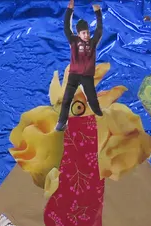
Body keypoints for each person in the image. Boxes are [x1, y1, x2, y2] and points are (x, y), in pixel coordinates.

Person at [55, 1, 104, 132]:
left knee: (92, 99)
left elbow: (99, 29)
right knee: (66, 99)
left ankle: (100, 115)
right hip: (74, 75)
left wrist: (98, 12)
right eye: (83, 33)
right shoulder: (73, 41)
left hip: (87, 76)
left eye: (87, 32)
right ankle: (61, 122)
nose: (86, 35)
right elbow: (66, 27)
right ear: (78, 34)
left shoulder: (93, 42)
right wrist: (69, 10)